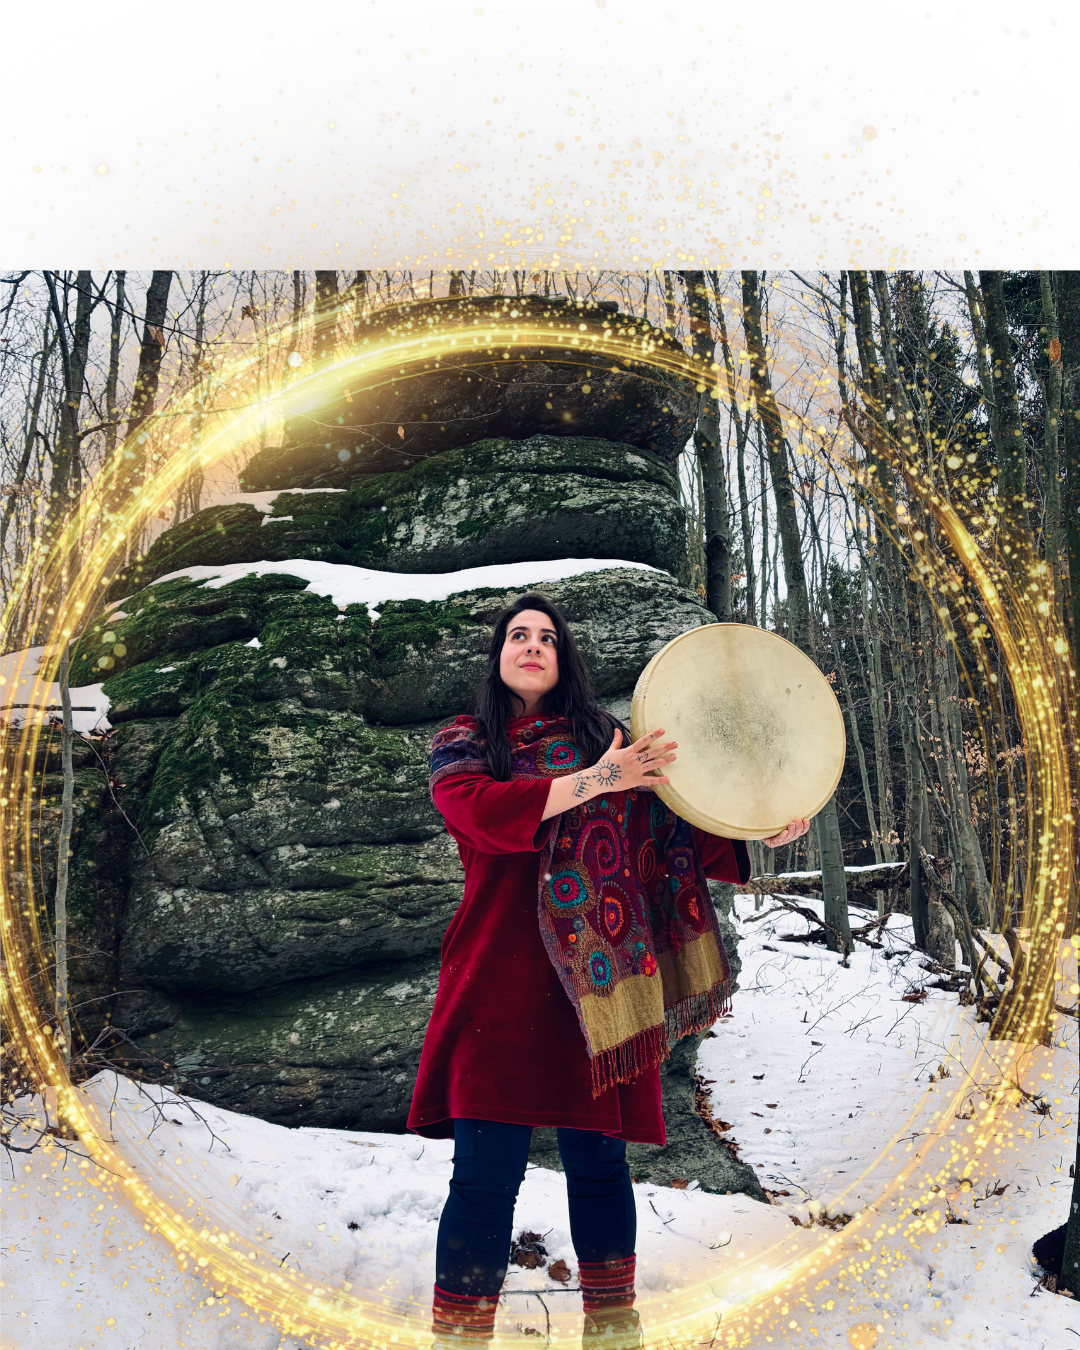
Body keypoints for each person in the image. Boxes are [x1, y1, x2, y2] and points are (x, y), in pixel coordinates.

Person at [407, 594, 810, 1348]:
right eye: (519, 636)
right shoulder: (465, 742)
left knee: (600, 1166)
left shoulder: (606, 737)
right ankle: (460, 1337)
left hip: (604, 985)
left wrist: (765, 819)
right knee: (484, 1177)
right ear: (498, 654)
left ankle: (613, 1335)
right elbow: (485, 816)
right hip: (499, 979)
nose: (533, 646)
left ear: (567, 658)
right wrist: (602, 779)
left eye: (548, 638)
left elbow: (677, 826)